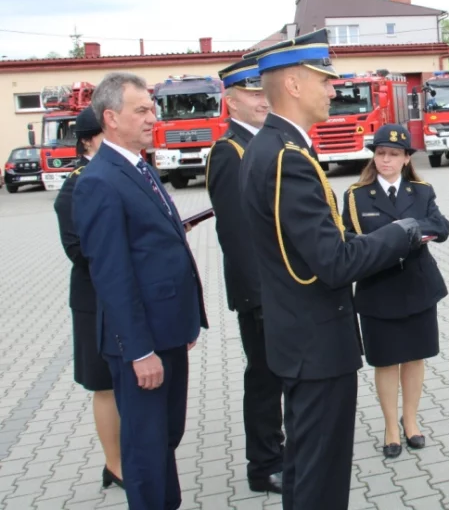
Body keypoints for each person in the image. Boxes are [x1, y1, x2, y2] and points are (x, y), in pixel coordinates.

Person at [238, 29, 425, 510]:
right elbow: (333, 262)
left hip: (299, 340)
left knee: (305, 471)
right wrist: (402, 232)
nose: (334, 89)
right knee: (320, 481)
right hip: (316, 344)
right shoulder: (287, 157)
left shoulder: (273, 148)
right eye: (325, 80)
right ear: (295, 85)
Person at [72, 72, 208, 510]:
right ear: (110, 118)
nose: (153, 117)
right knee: (146, 449)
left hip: (167, 331)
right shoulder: (99, 181)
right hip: (141, 345)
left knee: (165, 437)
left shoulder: (138, 166)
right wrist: (139, 350)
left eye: (152, 108)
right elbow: (111, 276)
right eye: (142, 110)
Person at [342, 123, 449, 459]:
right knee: (386, 361)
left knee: (415, 357)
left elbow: (441, 227)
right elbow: (347, 238)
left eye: (393, 154)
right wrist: (386, 242)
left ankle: (411, 421)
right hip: (378, 287)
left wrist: (408, 233)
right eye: (380, 153)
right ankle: (391, 426)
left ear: (406, 158)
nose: (385, 160)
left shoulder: (421, 191)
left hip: (418, 285)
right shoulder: (357, 196)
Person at [206, 58, 284, 494]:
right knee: (264, 378)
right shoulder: (230, 151)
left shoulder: (264, 142)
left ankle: (280, 449)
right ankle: (264, 465)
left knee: (280, 374)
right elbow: (235, 234)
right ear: (230, 101)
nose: (260, 100)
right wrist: (260, 299)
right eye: (250, 94)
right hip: (260, 295)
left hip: (276, 288)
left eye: (262, 91)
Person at [53, 106, 123, 490]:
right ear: (86, 140)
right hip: (94, 300)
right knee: (105, 384)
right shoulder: (78, 184)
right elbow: (79, 248)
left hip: (120, 295)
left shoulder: (115, 173)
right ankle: (114, 464)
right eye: (104, 132)